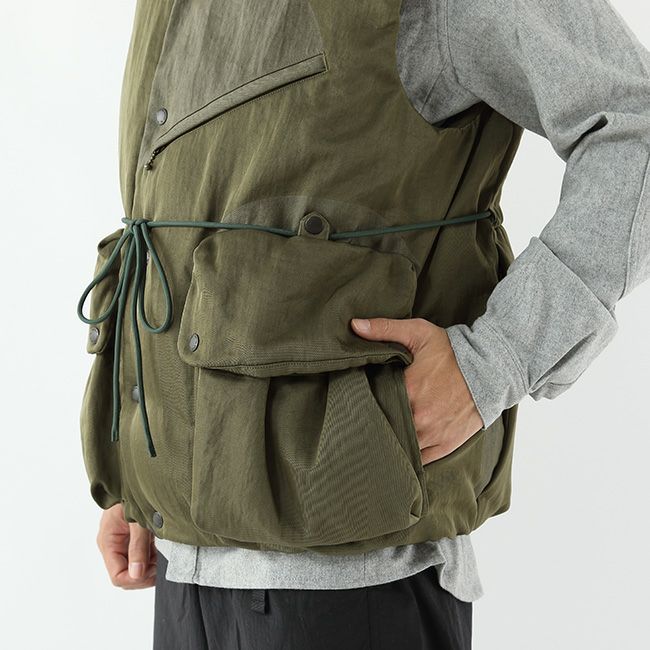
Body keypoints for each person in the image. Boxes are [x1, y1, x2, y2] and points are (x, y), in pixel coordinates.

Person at [84, 1, 650, 648]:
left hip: (354, 579)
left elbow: (634, 125)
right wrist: (148, 468)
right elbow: (195, 208)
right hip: (182, 567)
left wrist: (495, 360)